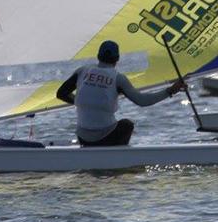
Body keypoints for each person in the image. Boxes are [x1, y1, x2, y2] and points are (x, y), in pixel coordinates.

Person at [56, 40, 185, 146]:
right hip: (106, 138)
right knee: (127, 125)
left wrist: (82, 102)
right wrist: (170, 90)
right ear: (117, 58)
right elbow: (142, 101)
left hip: (83, 138)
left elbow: (61, 94)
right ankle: (118, 156)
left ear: (98, 56)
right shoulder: (118, 78)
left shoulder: (82, 71)